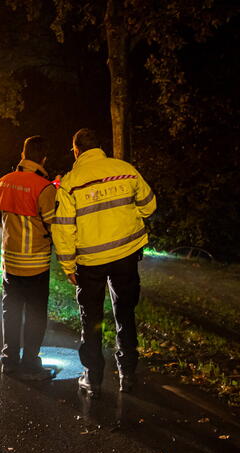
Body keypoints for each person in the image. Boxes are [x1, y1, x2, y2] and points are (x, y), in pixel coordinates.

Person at [52, 128, 156, 397]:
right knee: (125, 313)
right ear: (99, 146)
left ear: (76, 150)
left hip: (91, 262)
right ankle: (128, 374)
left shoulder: (70, 182)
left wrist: (67, 265)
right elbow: (149, 206)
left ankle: (93, 378)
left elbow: (63, 228)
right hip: (125, 256)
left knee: (92, 318)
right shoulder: (125, 169)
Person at [0, 135, 57, 381]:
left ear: (23, 155)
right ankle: (30, 363)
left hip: (10, 261)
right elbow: (52, 225)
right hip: (36, 262)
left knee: (11, 310)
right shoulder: (44, 187)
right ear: (43, 158)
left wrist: (11, 231)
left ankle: (9, 361)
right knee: (36, 314)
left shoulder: (3, 182)